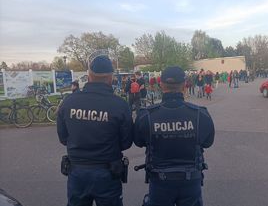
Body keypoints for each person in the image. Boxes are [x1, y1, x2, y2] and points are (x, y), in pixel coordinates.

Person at [57, 50, 133, 206]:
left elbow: (63, 138)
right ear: (111, 77)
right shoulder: (120, 105)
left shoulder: (69, 102)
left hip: (77, 172)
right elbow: (126, 142)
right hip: (107, 173)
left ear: (89, 75)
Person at [134, 66, 215, 206]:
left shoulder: (146, 115)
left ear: (161, 84)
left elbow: (138, 141)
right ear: (184, 85)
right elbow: (208, 142)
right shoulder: (200, 114)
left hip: (159, 181)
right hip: (191, 181)